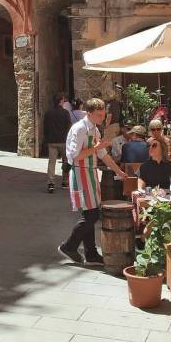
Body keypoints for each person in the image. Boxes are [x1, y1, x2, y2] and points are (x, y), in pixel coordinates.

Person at [58, 98, 127, 266]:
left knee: (89, 214)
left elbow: (102, 154)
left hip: (90, 174)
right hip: (81, 174)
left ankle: (91, 254)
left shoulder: (94, 130)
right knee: (91, 215)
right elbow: (75, 156)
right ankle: (69, 246)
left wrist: (118, 171)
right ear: (89, 113)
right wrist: (96, 149)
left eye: (103, 114)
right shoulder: (80, 129)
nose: (102, 118)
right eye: (99, 115)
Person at [43, 93, 72, 193]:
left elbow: (45, 127)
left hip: (52, 141)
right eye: (63, 100)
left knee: (52, 162)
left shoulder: (48, 113)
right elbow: (69, 127)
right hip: (63, 141)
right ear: (61, 101)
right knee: (66, 161)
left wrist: (46, 138)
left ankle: (51, 183)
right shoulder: (65, 113)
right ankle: (65, 181)